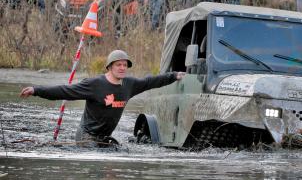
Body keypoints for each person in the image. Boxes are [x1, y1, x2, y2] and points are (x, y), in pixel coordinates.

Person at [19, 50, 185, 146]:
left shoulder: (130, 84)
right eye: (118, 65)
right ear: (110, 67)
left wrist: (175, 75)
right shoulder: (94, 84)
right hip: (86, 137)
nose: (122, 68)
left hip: (104, 138)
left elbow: (151, 81)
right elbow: (64, 91)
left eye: (124, 65)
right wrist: (36, 90)